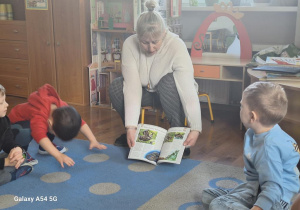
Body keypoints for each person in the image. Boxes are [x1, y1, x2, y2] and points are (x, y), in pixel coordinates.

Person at [109, 0, 202, 157]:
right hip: (145, 92)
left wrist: (195, 128)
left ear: (164, 34)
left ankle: (178, 135)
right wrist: (130, 126)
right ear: (137, 36)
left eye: (155, 42)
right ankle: (134, 135)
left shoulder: (176, 45)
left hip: (171, 93)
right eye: (145, 42)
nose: (150, 48)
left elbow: (187, 88)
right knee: (116, 86)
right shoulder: (129, 44)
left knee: (168, 81)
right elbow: (132, 87)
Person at [202, 81, 300, 210]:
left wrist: (258, 207)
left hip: (276, 198)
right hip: (257, 186)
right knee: (207, 195)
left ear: (252, 116)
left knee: (217, 204)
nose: (240, 108)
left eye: (242, 106)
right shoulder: (256, 132)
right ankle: (236, 199)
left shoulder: (268, 147)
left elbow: (273, 187)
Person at [8, 84, 107, 168]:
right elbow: (40, 137)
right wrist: (58, 155)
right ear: (50, 123)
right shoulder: (39, 114)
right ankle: (21, 153)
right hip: (13, 127)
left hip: (40, 122)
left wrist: (93, 140)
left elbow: (79, 122)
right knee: (27, 132)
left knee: (53, 128)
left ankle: (43, 149)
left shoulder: (62, 107)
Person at [0, 84, 33, 186]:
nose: (7, 105)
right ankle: (13, 174)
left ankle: (20, 161)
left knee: (22, 154)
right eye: (1, 103)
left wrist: (16, 149)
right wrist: (5, 162)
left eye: (5, 100)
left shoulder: (4, 120)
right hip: (3, 162)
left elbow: (8, 141)